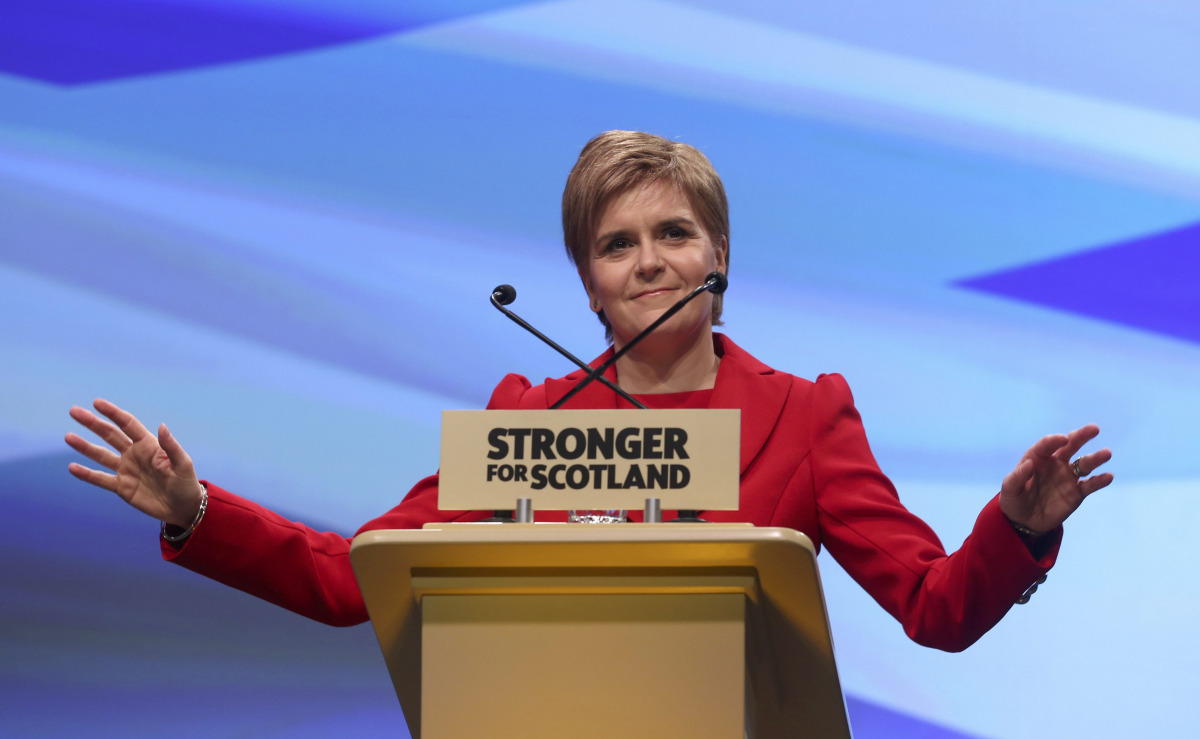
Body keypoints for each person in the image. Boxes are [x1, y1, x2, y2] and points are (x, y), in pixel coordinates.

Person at [65, 130, 1113, 650]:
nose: (649, 260)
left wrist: (1015, 528)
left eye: (674, 233)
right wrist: (199, 515)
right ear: (588, 284)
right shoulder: (529, 417)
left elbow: (935, 608)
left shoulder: (805, 415)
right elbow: (357, 580)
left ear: (719, 257)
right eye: (618, 244)